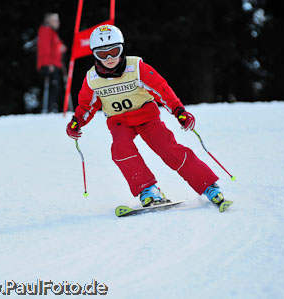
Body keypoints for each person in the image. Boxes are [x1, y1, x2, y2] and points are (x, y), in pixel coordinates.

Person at [66, 25, 233, 212]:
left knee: (168, 149)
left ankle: (208, 185)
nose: (110, 58)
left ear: (122, 49)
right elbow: (86, 106)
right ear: (94, 54)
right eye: (102, 54)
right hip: (119, 122)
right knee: (120, 149)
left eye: (114, 51)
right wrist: (77, 121)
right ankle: (148, 190)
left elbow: (162, 89)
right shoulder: (92, 79)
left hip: (147, 117)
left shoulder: (136, 68)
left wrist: (178, 111)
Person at [37, 12, 67, 113]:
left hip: (55, 63)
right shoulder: (46, 30)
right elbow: (45, 49)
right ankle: (49, 108)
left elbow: (56, 47)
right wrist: (48, 63)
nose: (58, 22)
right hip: (50, 64)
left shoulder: (52, 32)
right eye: (55, 20)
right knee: (51, 87)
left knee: (55, 87)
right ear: (49, 21)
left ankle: (52, 107)